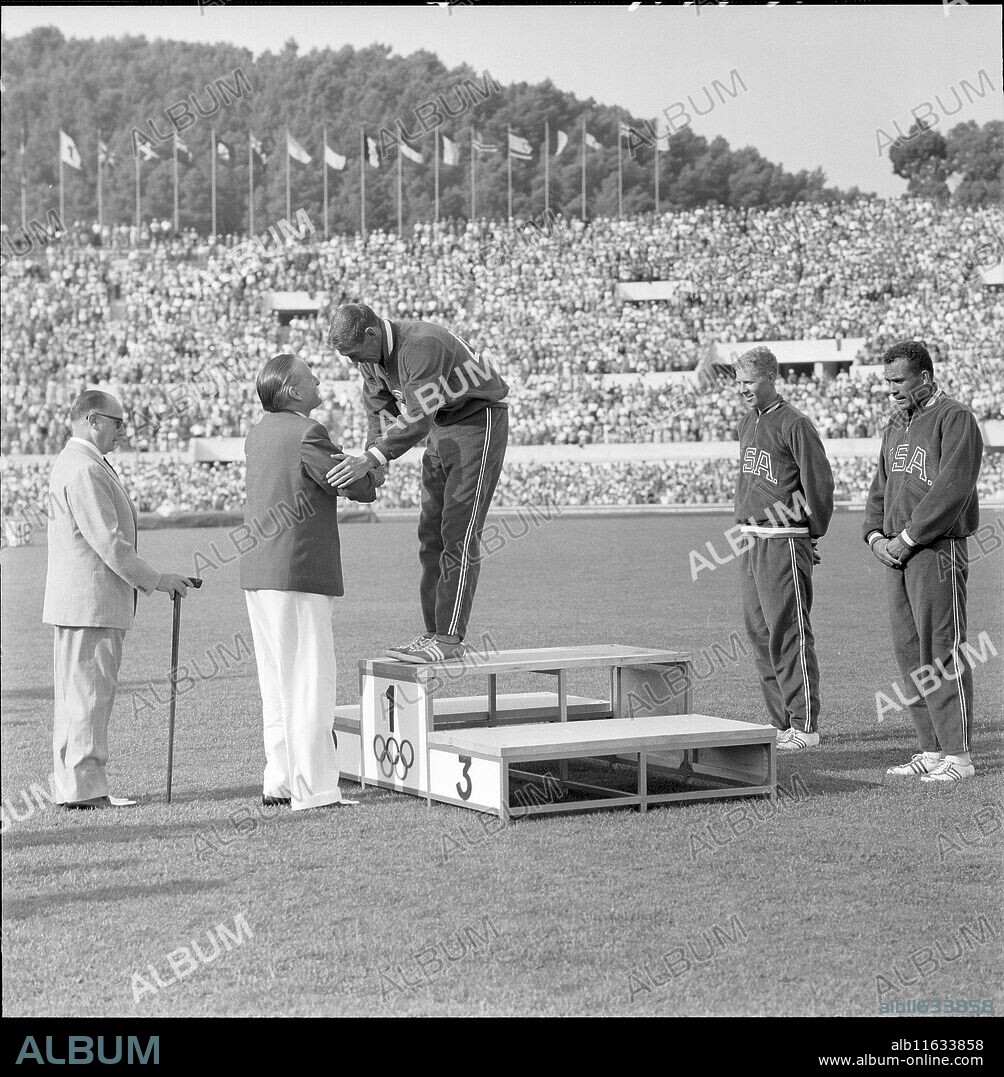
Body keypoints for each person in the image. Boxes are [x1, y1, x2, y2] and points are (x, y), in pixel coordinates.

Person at [325, 303, 509, 663]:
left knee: (459, 529)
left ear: (371, 334)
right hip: (445, 426)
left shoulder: (421, 345)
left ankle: (450, 638)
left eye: (353, 353)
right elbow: (378, 412)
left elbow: (418, 417)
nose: (352, 363)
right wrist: (373, 465)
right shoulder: (371, 359)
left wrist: (372, 459)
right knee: (430, 535)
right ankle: (433, 634)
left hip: (477, 420)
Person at [240, 353, 383, 810]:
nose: (318, 380)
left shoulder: (257, 433)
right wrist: (372, 465)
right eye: (309, 377)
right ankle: (314, 787)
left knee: (277, 683)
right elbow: (351, 484)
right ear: (292, 391)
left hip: (260, 571)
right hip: (297, 570)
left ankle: (280, 780)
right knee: (309, 680)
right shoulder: (308, 432)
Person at [42, 390, 194, 809]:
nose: (122, 432)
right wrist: (158, 579)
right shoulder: (85, 467)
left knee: (78, 696)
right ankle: (86, 791)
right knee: (89, 695)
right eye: (118, 422)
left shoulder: (77, 462)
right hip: (91, 602)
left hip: (82, 601)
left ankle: (74, 785)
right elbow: (109, 543)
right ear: (94, 420)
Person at [864, 341, 983, 783]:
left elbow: (952, 489)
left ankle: (959, 756)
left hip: (936, 551)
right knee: (911, 655)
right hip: (896, 556)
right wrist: (875, 536)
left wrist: (909, 537)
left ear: (925, 378)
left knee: (942, 651)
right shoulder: (896, 425)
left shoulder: (956, 418)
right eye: (887, 381)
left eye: (898, 380)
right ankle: (931, 749)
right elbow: (880, 489)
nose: (891, 389)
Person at [733, 347, 834, 752]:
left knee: (788, 632)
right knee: (759, 635)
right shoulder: (747, 423)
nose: (743, 390)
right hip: (749, 539)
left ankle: (804, 725)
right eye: (738, 382)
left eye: (750, 382)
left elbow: (818, 483)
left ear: (771, 378)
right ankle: (781, 724)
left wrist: (811, 534)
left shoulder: (795, 423)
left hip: (783, 540)